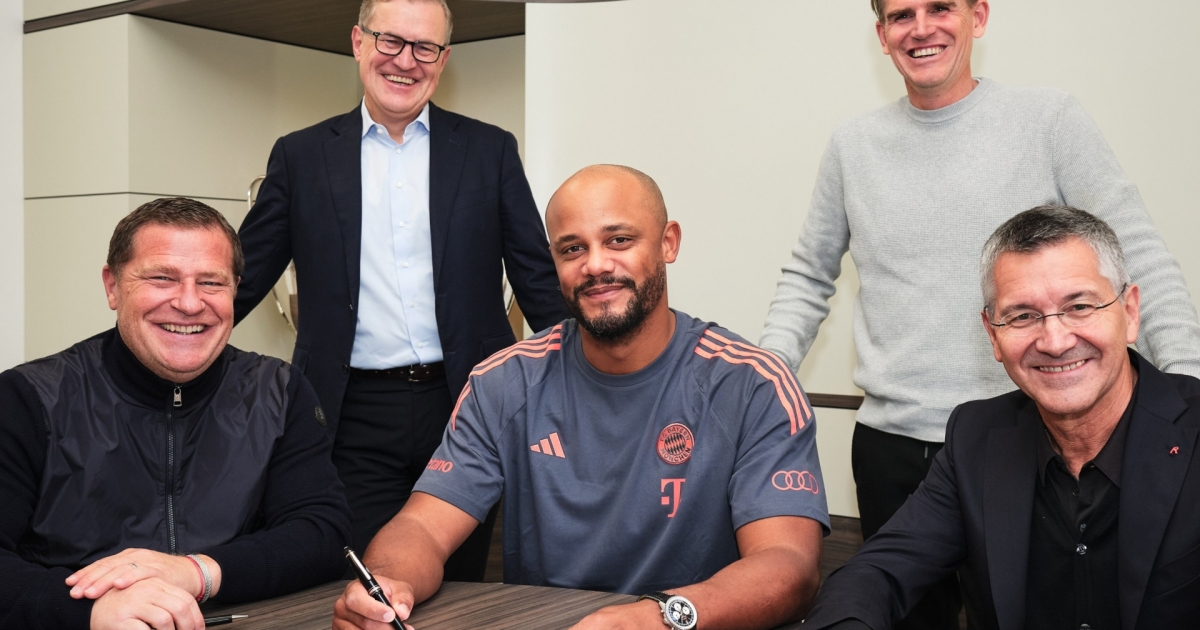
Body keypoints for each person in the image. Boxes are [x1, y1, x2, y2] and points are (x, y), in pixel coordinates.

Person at [759, 1, 1200, 626]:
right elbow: (807, 276)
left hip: (1028, 440)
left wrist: (1185, 394)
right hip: (893, 444)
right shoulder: (852, 146)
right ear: (881, 34)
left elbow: (1136, 254)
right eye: (901, 14)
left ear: (979, 15)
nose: (922, 28)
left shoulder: (1049, 119)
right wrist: (758, 392)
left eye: (940, 6)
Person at [331, 165, 829, 630]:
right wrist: (388, 583)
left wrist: (654, 618)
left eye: (619, 240)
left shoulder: (753, 384)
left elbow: (788, 565)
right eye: (572, 249)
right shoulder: (504, 382)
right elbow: (422, 527)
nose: (595, 265)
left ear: (668, 243)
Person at [233, 0, 568, 578]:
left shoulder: (489, 151)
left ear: (444, 59)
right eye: (390, 41)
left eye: (425, 48)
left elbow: (537, 281)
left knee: (459, 586)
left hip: (469, 408)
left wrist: (600, 378)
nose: (405, 61)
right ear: (358, 42)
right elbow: (241, 279)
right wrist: (167, 341)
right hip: (350, 415)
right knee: (367, 583)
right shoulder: (301, 156)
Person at [804, 206, 1200, 630]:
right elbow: (877, 573)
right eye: (1023, 316)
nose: (1054, 341)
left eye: (1080, 306)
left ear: (1131, 312)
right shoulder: (975, 439)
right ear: (993, 334)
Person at [0, 198, 351, 630]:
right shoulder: (27, 399)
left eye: (211, 282)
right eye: (162, 278)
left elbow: (321, 533)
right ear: (113, 287)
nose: (189, 303)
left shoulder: (278, 390)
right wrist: (89, 611)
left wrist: (195, 572)